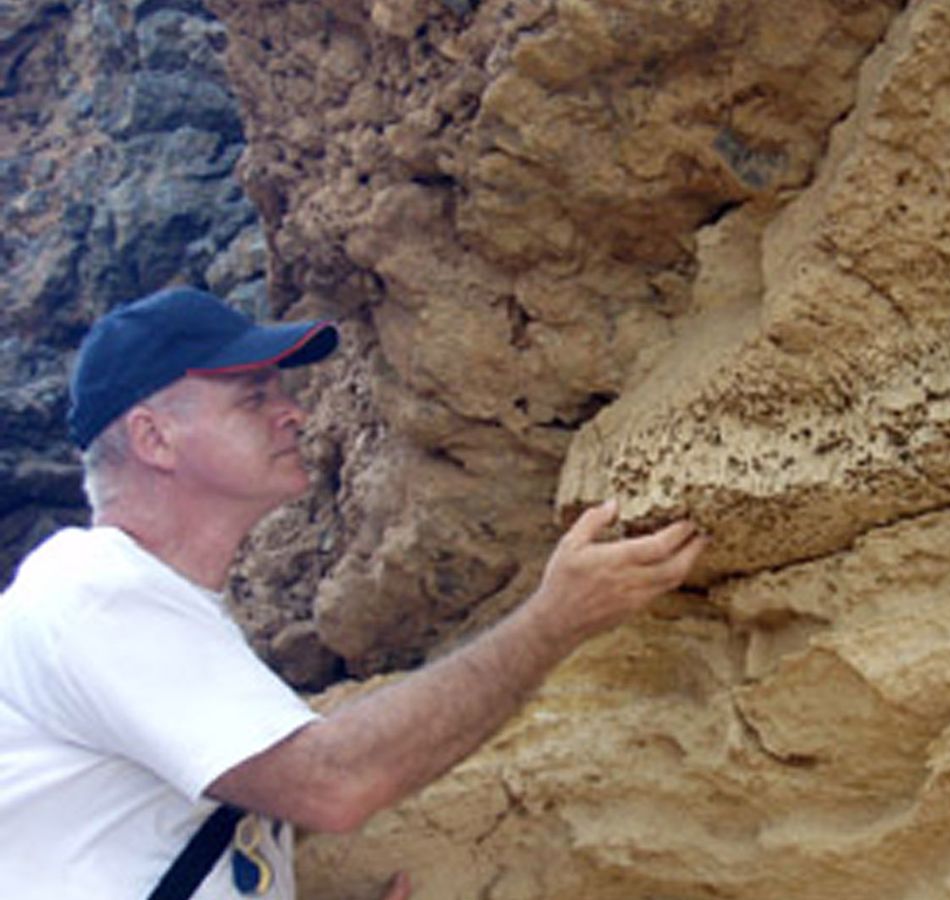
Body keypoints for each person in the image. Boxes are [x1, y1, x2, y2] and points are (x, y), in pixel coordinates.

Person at [0, 286, 706, 899]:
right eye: (255, 397)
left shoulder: (160, 612)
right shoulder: (91, 593)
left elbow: (134, 848)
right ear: (154, 439)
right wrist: (556, 621)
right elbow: (333, 784)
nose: (295, 413)